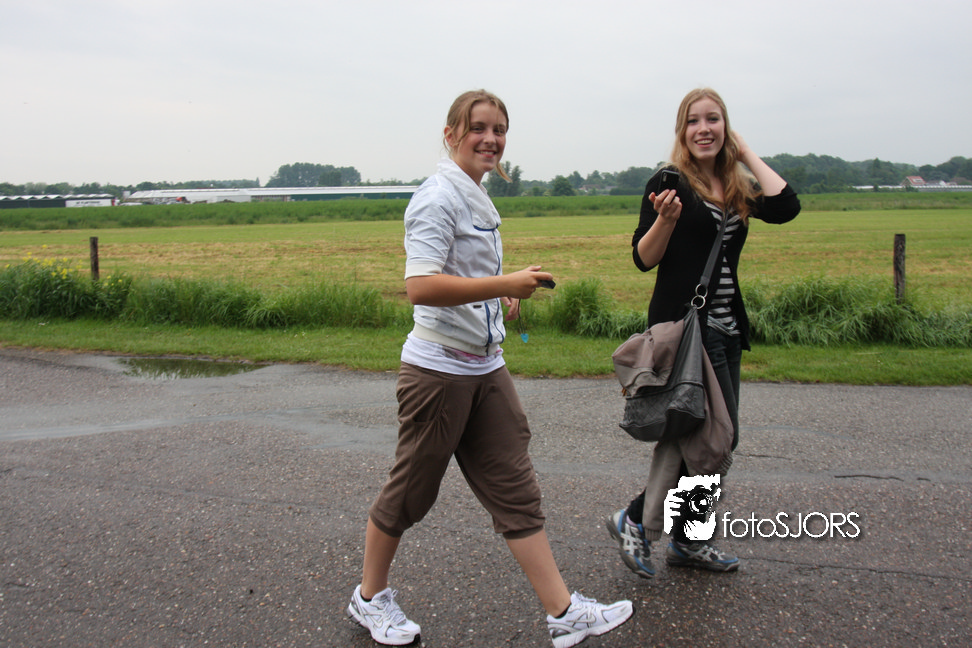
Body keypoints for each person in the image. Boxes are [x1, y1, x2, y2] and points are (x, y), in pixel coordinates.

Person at [347, 90, 633, 648]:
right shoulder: (437, 198)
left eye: (499, 129)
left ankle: (564, 613)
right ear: (451, 133)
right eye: (478, 127)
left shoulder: (474, 194)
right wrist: (505, 283)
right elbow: (420, 286)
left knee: (515, 488)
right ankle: (369, 597)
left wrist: (498, 297)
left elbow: (462, 273)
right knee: (410, 493)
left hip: (485, 367)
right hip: (438, 373)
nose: (491, 139)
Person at [607, 88, 801, 576]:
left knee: (714, 440)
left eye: (714, 119)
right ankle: (641, 521)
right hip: (687, 329)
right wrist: (665, 221)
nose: (704, 129)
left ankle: (683, 540)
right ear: (682, 130)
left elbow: (786, 205)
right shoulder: (669, 181)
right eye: (694, 121)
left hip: (727, 329)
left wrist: (743, 150)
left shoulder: (734, 186)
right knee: (709, 438)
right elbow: (643, 258)